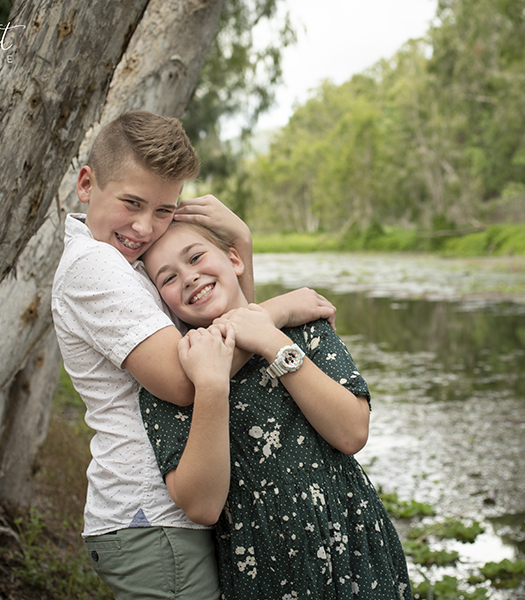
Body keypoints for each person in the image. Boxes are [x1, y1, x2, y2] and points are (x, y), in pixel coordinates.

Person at [51, 111, 336, 600]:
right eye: (132, 203)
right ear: (85, 183)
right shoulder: (94, 265)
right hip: (150, 516)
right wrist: (278, 310)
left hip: (172, 513)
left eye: (165, 210)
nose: (144, 227)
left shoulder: (127, 260)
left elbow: (232, 336)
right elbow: (187, 379)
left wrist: (240, 245)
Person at [138, 221, 414, 600]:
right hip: (262, 566)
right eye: (168, 278)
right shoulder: (173, 379)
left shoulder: (302, 329)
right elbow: (202, 506)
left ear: (234, 259)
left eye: (197, 257)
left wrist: (270, 339)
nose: (188, 277)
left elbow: (352, 433)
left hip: (350, 539)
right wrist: (211, 386)